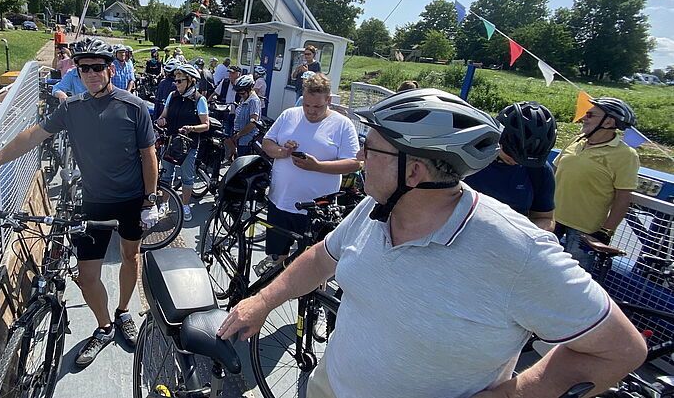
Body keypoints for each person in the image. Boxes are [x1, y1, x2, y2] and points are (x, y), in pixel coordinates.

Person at [220, 87, 647, 398]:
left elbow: (620, 351)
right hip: (329, 386)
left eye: (370, 150)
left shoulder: (518, 250)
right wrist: (264, 300)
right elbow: (321, 258)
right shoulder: (373, 209)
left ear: (414, 172)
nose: (360, 160)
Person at [0, 38, 159, 367]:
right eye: (84, 68)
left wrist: (150, 200)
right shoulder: (72, 108)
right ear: (77, 72)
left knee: (130, 256)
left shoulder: (133, 107)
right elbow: (32, 136)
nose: (91, 73)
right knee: (87, 275)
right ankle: (105, 327)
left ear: (110, 69)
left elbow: (148, 155)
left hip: (130, 198)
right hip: (92, 200)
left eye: (97, 67)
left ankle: (123, 311)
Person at [257, 73, 359, 272]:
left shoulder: (342, 124)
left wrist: (318, 166)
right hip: (281, 203)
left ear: (329, 100)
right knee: (277, 261)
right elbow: (267, 143)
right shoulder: (289, 115)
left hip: (318, 211)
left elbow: (355, 164)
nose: (311, 111)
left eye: (318, 106)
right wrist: (282, 152)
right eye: (307, 105)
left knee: (316, 269)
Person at [553, 97, 640, 271]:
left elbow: (623, 197)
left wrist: (606, 232)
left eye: (590, 115)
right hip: (551, 219)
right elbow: (553, 173)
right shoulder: (576, 140)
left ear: (609, 122)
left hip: (584, 230)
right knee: (536, 266)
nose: (584, 118)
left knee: (573, 276)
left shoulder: (626, 155)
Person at [464, 101, 557, 231]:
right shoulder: (468, 159)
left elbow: (545, 218)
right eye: (513, 155)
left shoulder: (540, 171)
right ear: (498, 139)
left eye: (527, 160)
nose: (518, 162)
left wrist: (523, 234)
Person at [155, 63, 210, 221]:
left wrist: (191, 128)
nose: (176, 83)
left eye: (180, 81)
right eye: (175, 80)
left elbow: (206, 125)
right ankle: (164, 204)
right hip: (171, 142)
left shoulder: (199, 100)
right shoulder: (172, 96)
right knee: (166, 176)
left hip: (189, 146)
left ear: (190, 81)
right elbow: (163, 116)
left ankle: (185, 206)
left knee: (187, 178)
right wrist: (161, 120)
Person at [229, 74, 262, 157]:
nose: (241, 95)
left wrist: (239, 134)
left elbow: (253, 123)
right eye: (239, 93)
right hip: (240, 137)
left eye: (243, 93)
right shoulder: (244, 99)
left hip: (246, 140)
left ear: (249, 89)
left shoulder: (253, 101)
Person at [211, 65, 241, 136]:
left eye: (233, 73)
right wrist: (208, 102)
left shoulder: (242, 84)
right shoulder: (225, 82)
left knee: (234, 133)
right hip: (225, 112)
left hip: (236, 113)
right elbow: (215, 93)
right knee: (225, 132)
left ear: (239, 74)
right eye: (230, 73)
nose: (230, 75)